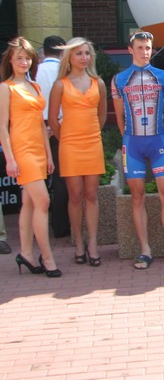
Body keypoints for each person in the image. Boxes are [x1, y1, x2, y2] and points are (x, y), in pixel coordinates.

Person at [112, 31, 164, 269]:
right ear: (130, 50)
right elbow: (119, 116)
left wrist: (161, 134)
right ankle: (145, 250)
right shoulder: (120, 79)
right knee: (137, 196)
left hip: (158, 142)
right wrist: (128, 137)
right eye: (140, 47)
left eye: (148, 48)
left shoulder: (162, 76)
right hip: (133, 143)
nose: (144, 52)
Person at [0, 37, 61, 277]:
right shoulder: (6, 88)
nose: (24, 62)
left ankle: (26, 254)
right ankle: (47, 258)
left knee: (29, 203)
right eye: (19, 58)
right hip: (22, 150)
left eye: (27, 58)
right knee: (43, 202)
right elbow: (3, 127)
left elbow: (41, 123)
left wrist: (48, 155)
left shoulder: (34, 86)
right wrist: (10, 158)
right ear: (10, 60)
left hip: (38, 150)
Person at [48, 38, 107, 266]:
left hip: (93, 143)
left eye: (87, 53)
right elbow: (53, 120)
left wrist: (91, 135)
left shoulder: (98, 83)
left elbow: (102, 116)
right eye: (79, 53)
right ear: (69, 57)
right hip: (70, 145)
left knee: (91, 195)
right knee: (74, 196)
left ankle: (92, 244)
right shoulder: (60, 85)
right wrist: (66, 140)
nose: (84, 58)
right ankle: (79, 243)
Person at [37, 35, 70, 238]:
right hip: (61, 125)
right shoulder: (65, 71)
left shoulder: (35, 71)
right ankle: (60, 226)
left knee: (36, 179)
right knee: (60, 178)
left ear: (45, 50)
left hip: (36, 127)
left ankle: (36, 225)